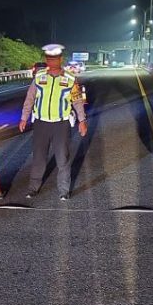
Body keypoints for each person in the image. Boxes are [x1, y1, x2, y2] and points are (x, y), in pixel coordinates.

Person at [19, 44, 88, 200]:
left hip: (60, 124)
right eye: (49, 59)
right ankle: (33, 188)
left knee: (62, 158)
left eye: (55, 59)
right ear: (46, 59)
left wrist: (82, 120)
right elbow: (30, 98)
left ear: (60, 59)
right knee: (38, 157)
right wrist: (24, 117)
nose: (52, 62)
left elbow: (77, 101)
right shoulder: (39, 76)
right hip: (41, 123)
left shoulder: (70, 78)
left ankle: (64, 190)